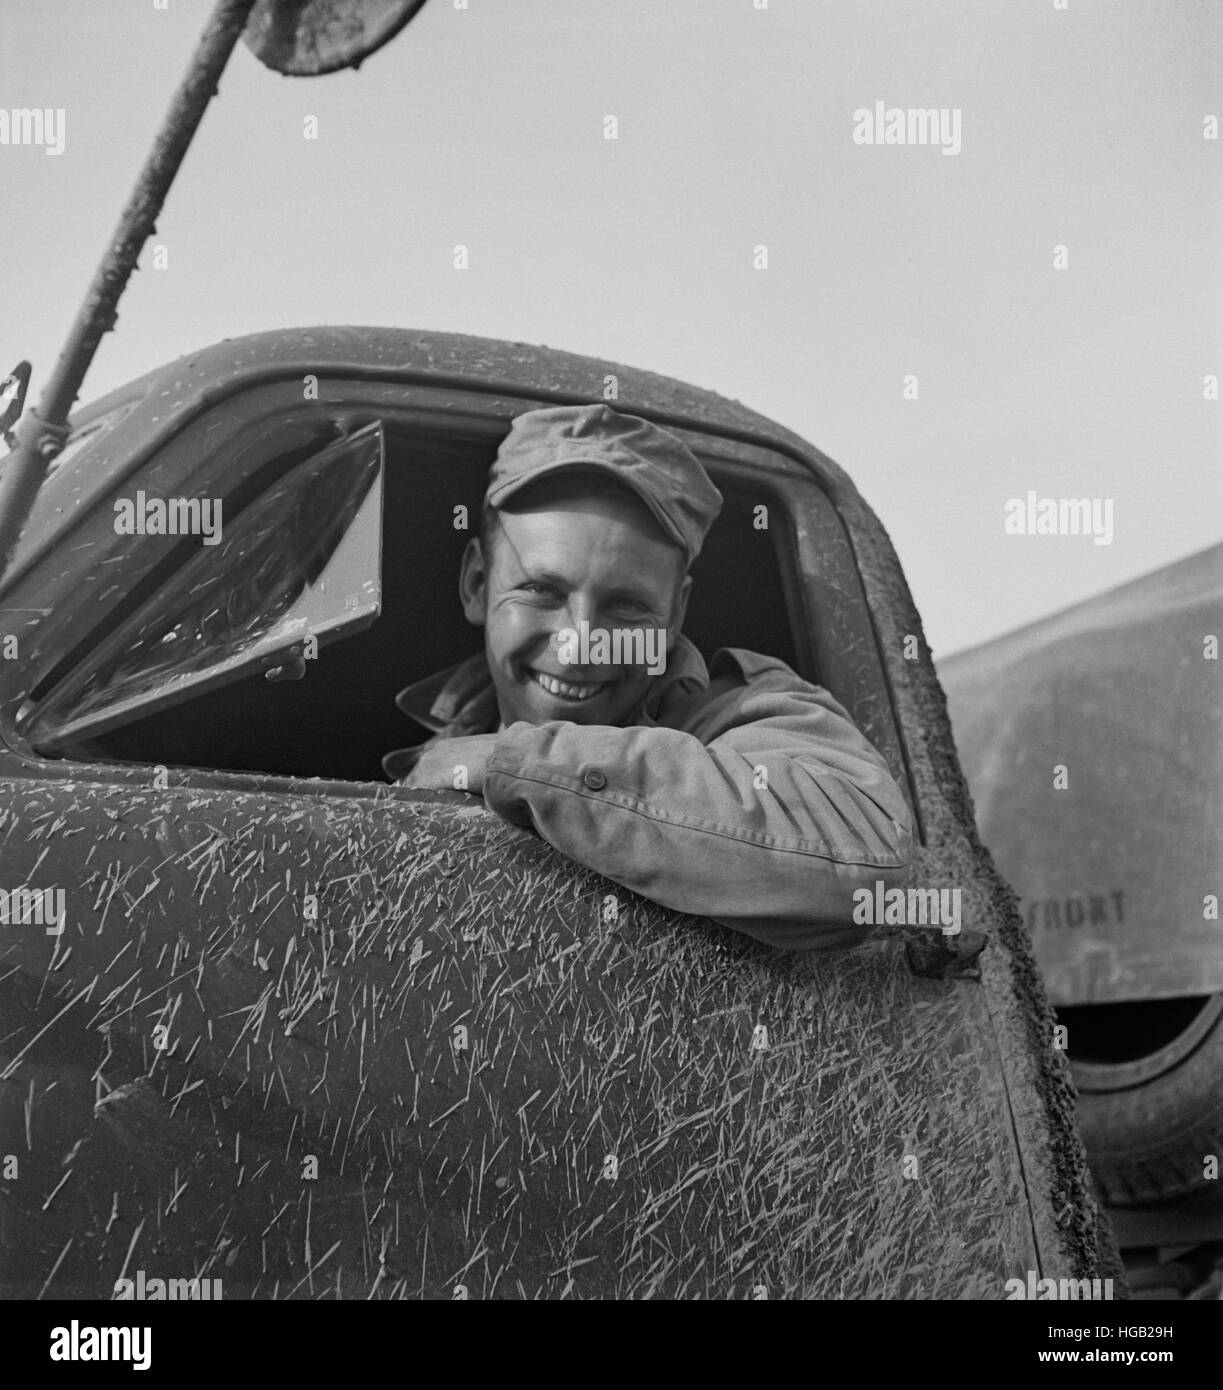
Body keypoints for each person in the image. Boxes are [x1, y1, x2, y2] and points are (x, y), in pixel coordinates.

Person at [383, 403, 912, 951]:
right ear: (475, 583)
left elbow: (865, 854)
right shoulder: (441, 738)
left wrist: (512, 764)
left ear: (675, 615)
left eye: (627, 606)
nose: (581, 641)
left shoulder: (728, 714)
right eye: (542, 591)